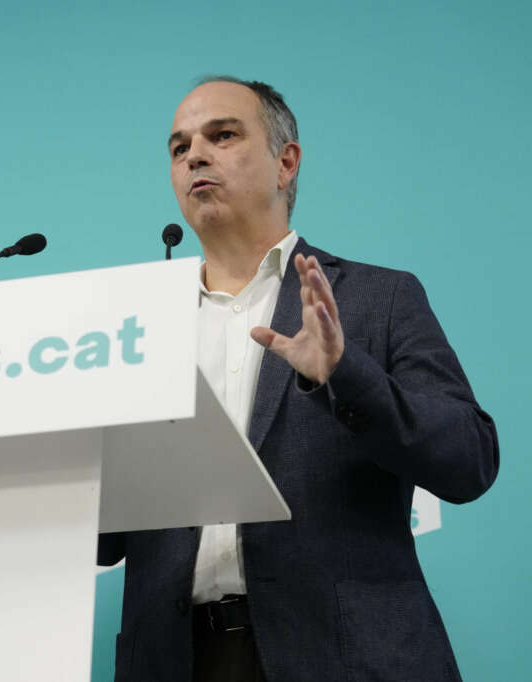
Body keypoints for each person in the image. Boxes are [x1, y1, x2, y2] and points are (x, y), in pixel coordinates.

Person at [98, 78, 499, 681]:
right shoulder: (134, 326)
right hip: (173, 660)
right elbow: (107, 539)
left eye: (223, 135)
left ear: (286, 161)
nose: (195, 156)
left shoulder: (376, 298)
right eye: (179, 148)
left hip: (342, 657)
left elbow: (468, 459)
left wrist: (347, 374)